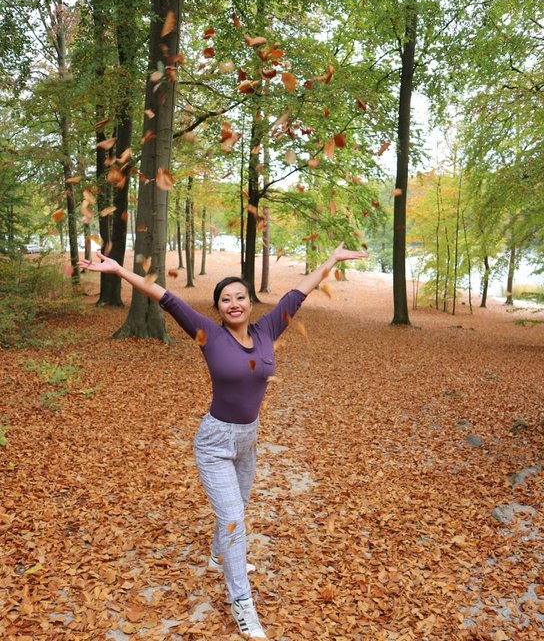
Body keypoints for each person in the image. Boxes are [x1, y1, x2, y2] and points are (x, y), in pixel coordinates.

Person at [78, 243, 368, 640]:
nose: (234, 304)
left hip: (248, 438)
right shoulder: (208, 335)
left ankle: (218, 556)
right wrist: (119, 271)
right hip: (214, 441)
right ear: (218, 308)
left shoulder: (268, 329)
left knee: (237, 510)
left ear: (250, 303)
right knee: (234, 522)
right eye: (225, 299)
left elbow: (298, 293)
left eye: (240, 297)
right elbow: (165, 296)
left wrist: (330, 262)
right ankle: (243, 605)